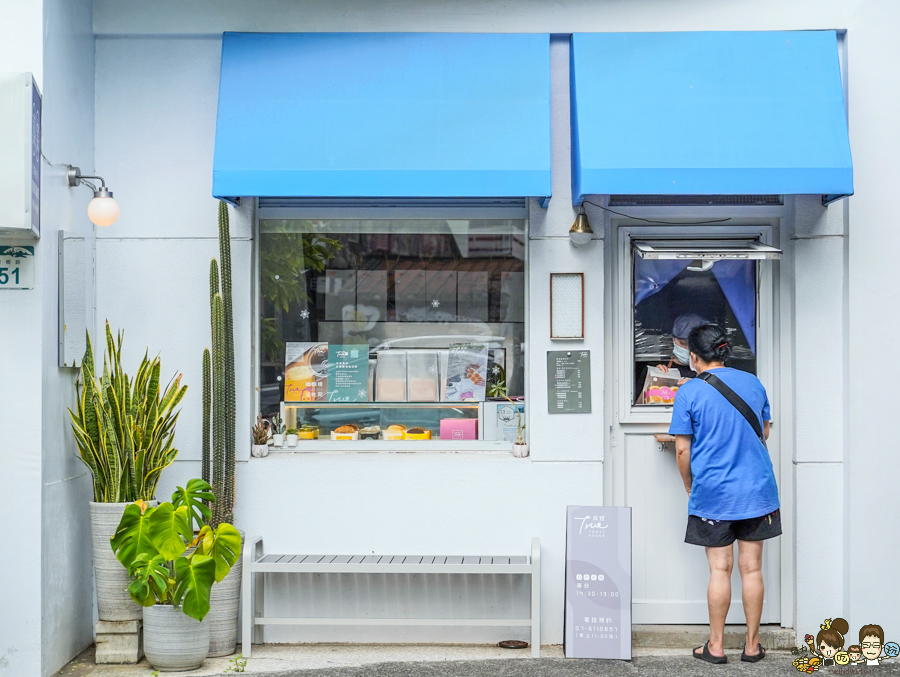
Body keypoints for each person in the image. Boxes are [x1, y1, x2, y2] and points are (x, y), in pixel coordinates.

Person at [668, 324, 781, 665]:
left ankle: (715, 647)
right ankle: (751, 646)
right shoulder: (753, 382)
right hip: (757, 489)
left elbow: (682, 450)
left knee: (720, 570)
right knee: (752, 569)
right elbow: (764, 431)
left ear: (693, 356)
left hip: (714, 492)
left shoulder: (688, 392)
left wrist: (689, 483)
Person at [655, 313, 709, 381]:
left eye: (692, 345)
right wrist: (655, 377)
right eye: (682, 343)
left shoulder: (710, 371)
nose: (687, 349)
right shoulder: (660, 363)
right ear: (673, 339)